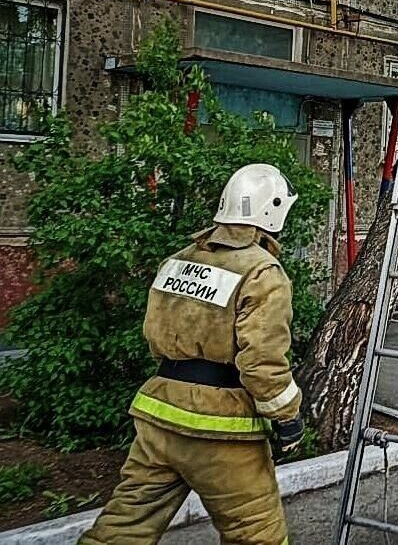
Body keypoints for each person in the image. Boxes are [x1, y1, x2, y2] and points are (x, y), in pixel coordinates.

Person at [81, 164, 305, 545]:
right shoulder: (262, 271)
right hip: (219, 428)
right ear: (274, 210)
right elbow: (261, 362)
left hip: (158, 417)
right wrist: (288, 419)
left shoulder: (179, 260)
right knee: (257, 535)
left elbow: (155, 332)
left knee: (123, 528)